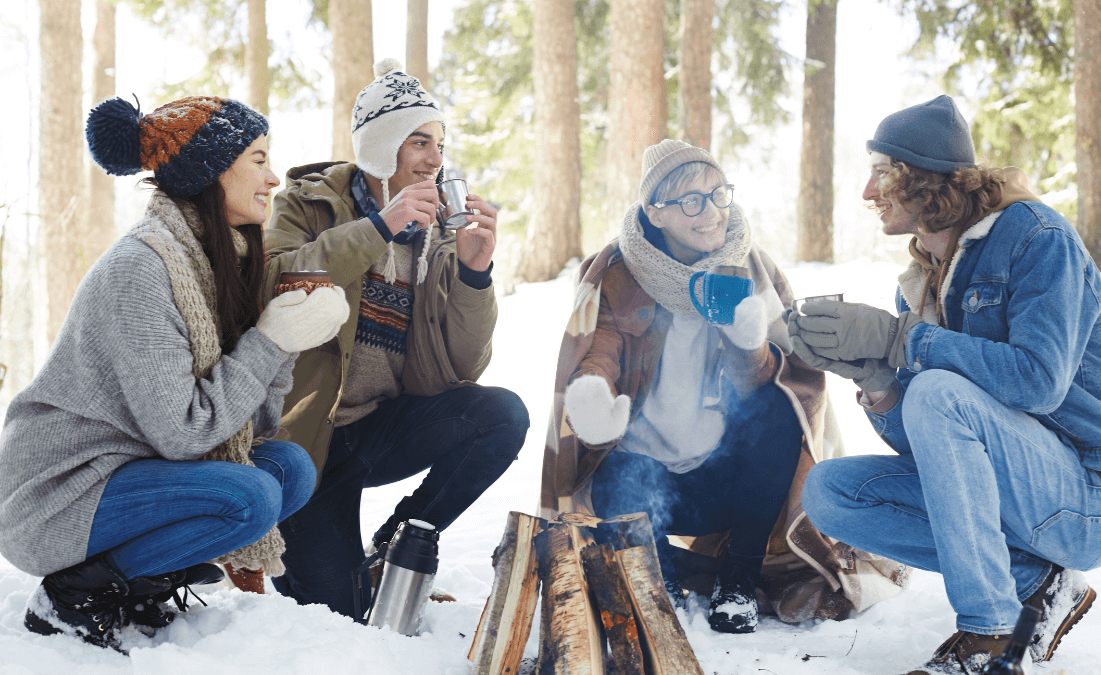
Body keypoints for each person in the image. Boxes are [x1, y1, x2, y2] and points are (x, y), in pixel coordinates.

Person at [788, 95, 1101, 674]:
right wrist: (877, 381)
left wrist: (902, 341)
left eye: (882, 172)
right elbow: (935, 449)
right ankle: (1036, 582)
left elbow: (1038, 382)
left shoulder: (1037, 239)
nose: (867, 191)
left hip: (1091, 500)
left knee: (937, 392)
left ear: (925, 179)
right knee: (831, 492)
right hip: (1021, 498)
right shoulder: (919, 285)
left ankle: (989, 633)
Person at [0, 95, 349, 650]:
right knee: (252, 497)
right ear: (213, 170)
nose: (274, 178)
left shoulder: (214, 263)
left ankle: (138, 582)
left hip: (128, 472)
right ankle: (73, 595)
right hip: (58, 495)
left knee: (288, 469)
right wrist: (269, 340)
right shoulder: (142, 268)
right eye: (259, 160)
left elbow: (252, 426)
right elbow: (185, 434)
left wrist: (287, 342)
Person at [539, 139, 908, 634]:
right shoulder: (619, 272)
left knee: (778, 413)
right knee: (602, 473)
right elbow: (600, 345)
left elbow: (779, 385)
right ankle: (661, 571)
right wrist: (591, 394)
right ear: (656, 211)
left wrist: (747, 344)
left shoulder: (751, 266)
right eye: (692, 200)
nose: (711, 212)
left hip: (725, 482)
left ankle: (737, 580)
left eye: (719, 194)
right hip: (643, 484)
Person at [262, 58, 530, 618]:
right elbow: (274, 281)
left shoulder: (432, 237)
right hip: (308, 441)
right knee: (337, 609)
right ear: (381, 148)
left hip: (379, 430)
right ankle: (317, 558)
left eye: (440, 144)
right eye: (419, 142)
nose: (436, 159)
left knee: (502, 415)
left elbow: (459, 372)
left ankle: (398, 541)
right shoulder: (306, 204)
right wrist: (378, 227)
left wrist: (475, 275)